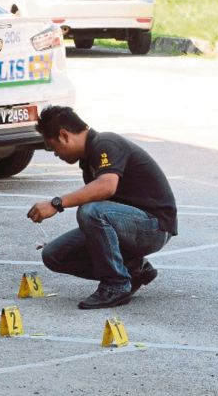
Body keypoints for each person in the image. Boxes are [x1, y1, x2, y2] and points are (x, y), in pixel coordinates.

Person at [27, 106, 177, 309]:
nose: (55, 154)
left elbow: (107, 186)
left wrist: (57, 203)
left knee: (91, 211)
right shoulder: (88, 159)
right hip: (129, 224)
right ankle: (134, 270)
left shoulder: (105, 143)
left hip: (154, 226)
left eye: (53, 148)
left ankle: (116, 285)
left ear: (64, 135)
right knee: (54, 255)